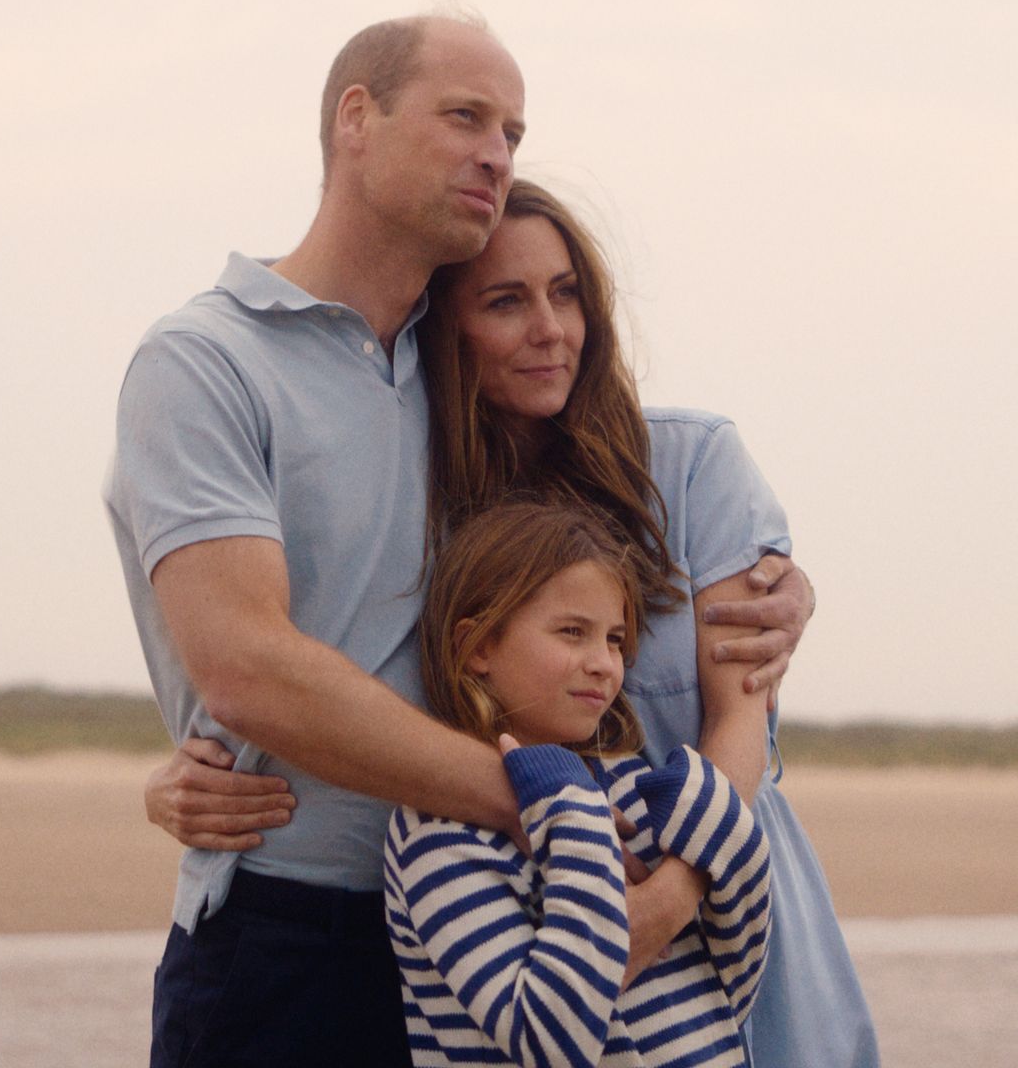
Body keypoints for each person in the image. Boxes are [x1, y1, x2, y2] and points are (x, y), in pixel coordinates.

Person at [149, 174, 877, 1066]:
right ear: (445, 330)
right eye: (506, 301)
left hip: (717, 917)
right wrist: (185, 769)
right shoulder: (437, 512)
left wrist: (670, 896)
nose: (549, 328)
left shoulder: (694, 467)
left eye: (566, 294)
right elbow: (353, 668)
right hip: (523, 941)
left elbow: (741, 722)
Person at [386, 497, 771, 1067]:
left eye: (615, 639)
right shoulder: (437, 833)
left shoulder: (630, 783)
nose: (604, 663)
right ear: (478, 646)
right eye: (573, 632)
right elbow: (549, 1040)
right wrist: (572, 813)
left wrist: (718, 821)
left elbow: (733, 979)